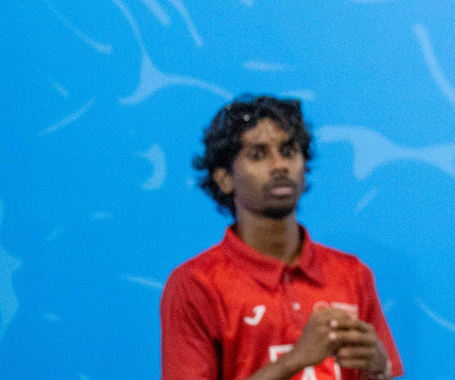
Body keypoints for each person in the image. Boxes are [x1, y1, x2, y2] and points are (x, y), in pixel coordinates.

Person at [161, 96, 403, 380]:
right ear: (224, 178)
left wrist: (379, 370)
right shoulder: (196, 284)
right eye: (258, 155)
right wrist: (295, 360)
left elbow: (380, 374)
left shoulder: (352, 274)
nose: (279, 166)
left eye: (288, 151)